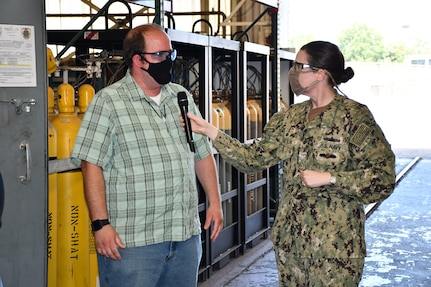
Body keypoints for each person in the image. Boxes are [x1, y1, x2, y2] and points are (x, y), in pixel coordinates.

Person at [184, 41, 396, 286]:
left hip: (334, 251)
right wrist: (212, 132)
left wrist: (331, 178)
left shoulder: (354, 118)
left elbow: (383, 177)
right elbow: (253, 158)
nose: (293, 72)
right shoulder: (290, 118)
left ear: (320, 73)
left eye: (299, 66)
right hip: (290, 246)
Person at [71, 23, 223, 287]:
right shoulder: (109, 102)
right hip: (133, 242)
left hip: (184, 236)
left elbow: (202, 153)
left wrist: (215, 201)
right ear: (137, 60)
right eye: (159, 55)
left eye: (170, 54)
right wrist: (100, 225)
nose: (167, 61)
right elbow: (91, 164)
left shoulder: (181, 96)